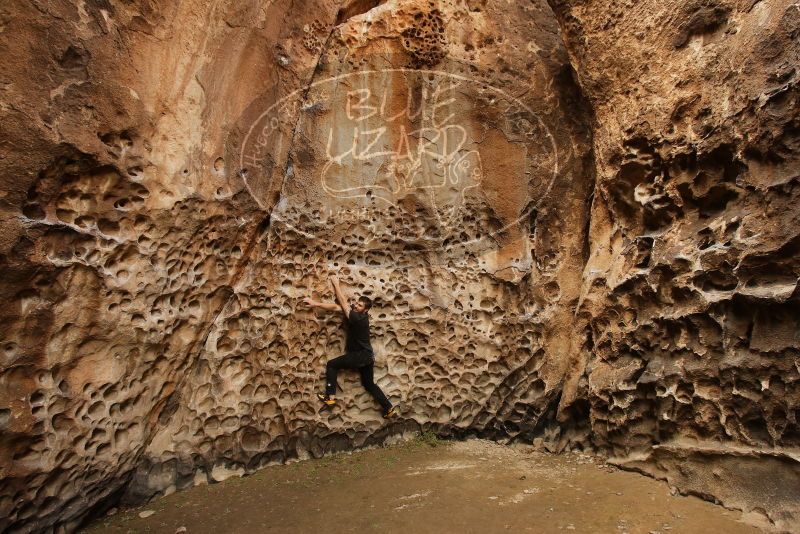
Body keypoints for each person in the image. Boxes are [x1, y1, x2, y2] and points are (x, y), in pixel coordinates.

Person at [302, 274, 397, 418]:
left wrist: (336, 284)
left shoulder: (358, 318)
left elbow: (343, 302)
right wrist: (315, 304)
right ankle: (389, 408)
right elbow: (336, 307)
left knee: (332, 365)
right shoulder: (356, 314)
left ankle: (330, 397)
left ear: (365, 310)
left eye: (359, 305)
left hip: (360, 355)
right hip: (367, 356)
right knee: (369, 384)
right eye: (357, 303)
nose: (356, 305)